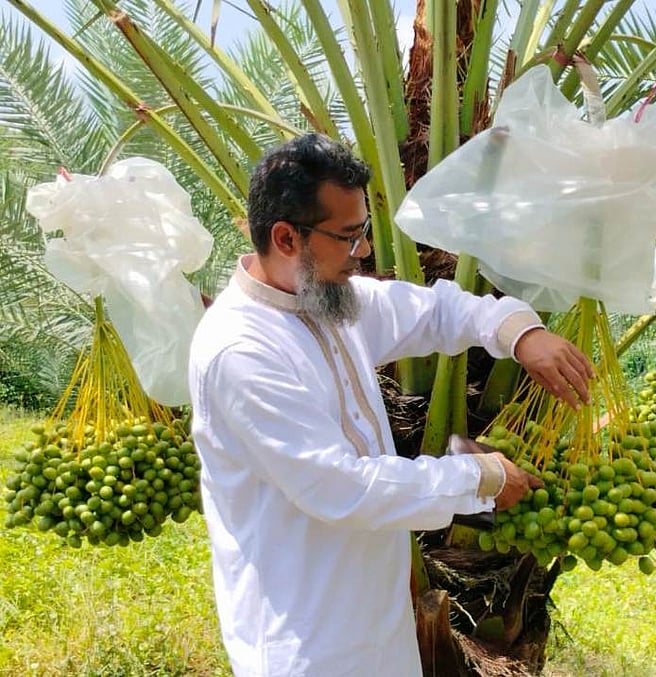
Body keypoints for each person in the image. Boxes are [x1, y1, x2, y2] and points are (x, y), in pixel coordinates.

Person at [188, 133, 595, 676]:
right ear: (286, 237)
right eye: (348, 236)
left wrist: (521, 334)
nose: (362, 253)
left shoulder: (328, 302)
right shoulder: (242, 352)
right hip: (305, 642)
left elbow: (436, 312)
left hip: (376, 625)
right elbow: (341, 488)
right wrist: (478, 478)